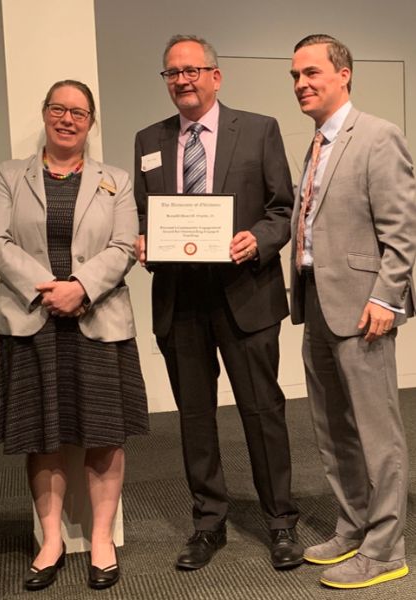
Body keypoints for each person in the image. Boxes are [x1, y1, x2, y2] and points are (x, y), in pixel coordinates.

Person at [133, 34, 303, 570]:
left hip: (245, 293)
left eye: (191, 70)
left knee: (262, 411)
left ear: (215, 75)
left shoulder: (258, 129)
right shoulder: (149, 139)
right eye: (172, 73)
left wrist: (259, 239)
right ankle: (208, 523)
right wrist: (144, 242)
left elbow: (283, 208)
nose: (182, 80)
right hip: (179, 298)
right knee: (195, 417)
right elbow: (143, 213)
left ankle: (281, 521)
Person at [0, 79, 148, 592]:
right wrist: (48, 291)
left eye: (78, 112)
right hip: (33, 320)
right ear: (44, 113)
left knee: (104, 433)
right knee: (42, 434)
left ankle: (101, 540)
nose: (67, 119)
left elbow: (124, 246)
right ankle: (51, 540)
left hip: (98, 319)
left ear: (90, 122)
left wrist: (79, 288)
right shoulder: (9, 175)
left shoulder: (116, 180)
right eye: (58, 109)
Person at [288, 34, 416, 589]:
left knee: (377, 433)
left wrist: (387, 297)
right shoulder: (317, 143)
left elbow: (403, 229)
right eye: (295, 76)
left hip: (364, 307)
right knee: (331, 426)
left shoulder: (378, 136)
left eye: (311, 73)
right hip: (316, 299)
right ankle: (354, 525)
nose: (301, 84)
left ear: (344, 74)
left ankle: (385, 550)